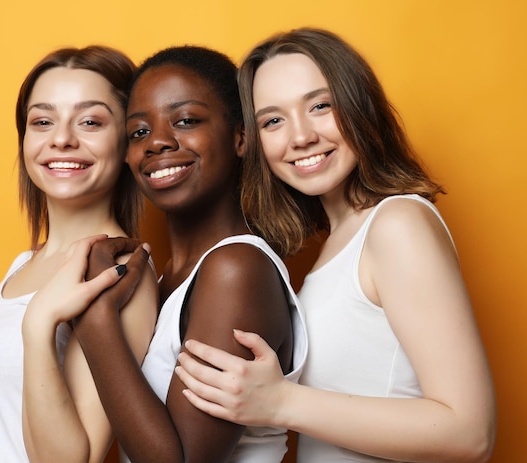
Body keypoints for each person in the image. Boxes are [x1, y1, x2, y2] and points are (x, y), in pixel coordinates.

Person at [174, 28, 497, 462]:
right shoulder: (340, 240)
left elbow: (470, 433)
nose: (300, 136)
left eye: (320, 106)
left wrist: (281, 402)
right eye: (273, 120)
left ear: (359, 106)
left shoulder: (397, 224)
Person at [70, 46, 308, 463]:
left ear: (240, 137)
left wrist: (94, 321)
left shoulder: (236, 268)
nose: (158, 141)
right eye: (138, 132)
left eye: (186, 121)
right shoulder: (168, 278)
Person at [0, 45, 158, 463]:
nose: (61, 139)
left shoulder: (120, 273)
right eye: (42, 121)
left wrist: (39, 323)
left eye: (90, 121)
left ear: (127, 140)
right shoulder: (24, 264)